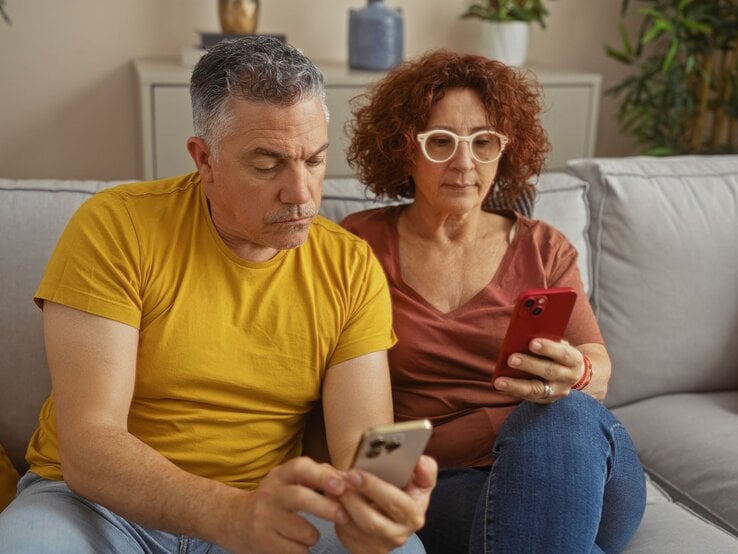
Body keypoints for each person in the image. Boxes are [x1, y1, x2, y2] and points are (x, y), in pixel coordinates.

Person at [0, 37, 437, 553]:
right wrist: (228, 514)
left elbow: (362, 448)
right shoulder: (117, 227)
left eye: (314, 160)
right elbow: (90, 446)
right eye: (267, 164)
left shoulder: (350, 267)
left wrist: (379, 506)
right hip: (94, 507)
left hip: (264, 510)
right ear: (203, 159)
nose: (301, 193)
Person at [341, 50, 646, 553]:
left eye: (483, 142)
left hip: (578, 461)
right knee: (540, 522)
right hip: (441, 484)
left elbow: (599, 367)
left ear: (506, 150)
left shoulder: (544, 247)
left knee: (560, 413)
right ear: (403, 150)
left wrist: (577, 375)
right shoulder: (358, 246)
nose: (465, 163)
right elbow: (337, 405)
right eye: (441, 142)